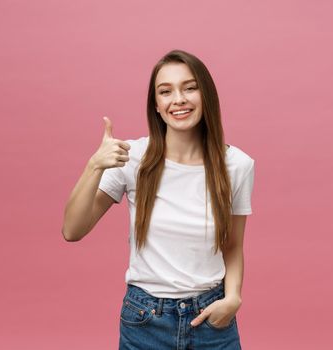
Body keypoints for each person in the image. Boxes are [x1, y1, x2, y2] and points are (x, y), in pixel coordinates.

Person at [61, 49, 255, 349]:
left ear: (207, 95)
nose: (178, 99)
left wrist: (233, 298)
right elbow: (72, 231)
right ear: (157, 105)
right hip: (145, 320)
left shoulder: (237, 165)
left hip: (211, 318)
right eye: (166, 92)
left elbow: (232, 244)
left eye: (189, 88)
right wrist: (94, 166)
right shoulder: (133, 157)